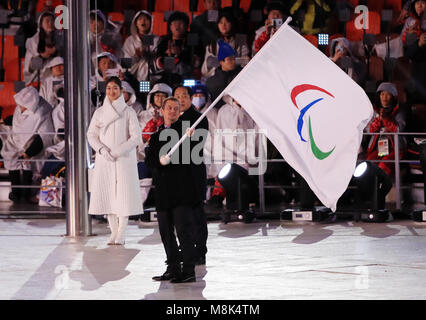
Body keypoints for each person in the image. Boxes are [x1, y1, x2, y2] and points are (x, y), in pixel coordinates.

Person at [145, 97, 201, 283]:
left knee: (184, 230)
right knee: (165, 232)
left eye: (176, 109)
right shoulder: (155, 135)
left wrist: (190, 140)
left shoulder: (186, 133)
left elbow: (193, 155)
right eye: (169, 108)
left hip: (181, 191)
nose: (172, 111)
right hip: (163, 192)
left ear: (180, 112)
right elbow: (150, 161)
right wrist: (158, 161)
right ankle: (173, 267)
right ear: (162, 111)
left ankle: (189, 270)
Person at [87, 77, 143, 245]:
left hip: (123, 159)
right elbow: (91, 135)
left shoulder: (129, 112)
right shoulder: (99, 112)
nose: (112, 91)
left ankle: (122, 232)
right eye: (109, 88)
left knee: (124, 196)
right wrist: (103, 150)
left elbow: (135, 138)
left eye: (115, 88)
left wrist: (117, 151)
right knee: (107, 194)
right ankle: (113, 232)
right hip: (105, 159)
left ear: (121, 91)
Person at [174, 85, 209, 266]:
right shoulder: (172, 119)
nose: (181, 99)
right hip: (176, 174)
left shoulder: (199, 119)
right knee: (180, 216)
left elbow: (198, 145)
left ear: (190, 98)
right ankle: (184, 250)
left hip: (193, 172)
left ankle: (200, 250)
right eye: (177, 96)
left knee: (196, 213)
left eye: (184, 96)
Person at [0, 86, 54, 204]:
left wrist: (28, 153)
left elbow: (44, 136)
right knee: (10, 159)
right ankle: (16, 192)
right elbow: (16, 121)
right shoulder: (20, 107)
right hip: (16, 141)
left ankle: (26, 193)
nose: (20, 107)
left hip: (33, 145)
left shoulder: (42, 112)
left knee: (27, 165)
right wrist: (3, 121)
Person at [366, 82, 407, 178]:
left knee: (384, 166)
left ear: (393, 96)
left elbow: (398, 129)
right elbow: (369, 130)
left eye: (388, 94)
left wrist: (386, 119)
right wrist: (378, 119)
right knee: (368, 165)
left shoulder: (399, 111)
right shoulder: (374, 111)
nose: (384, 97)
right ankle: (372, 190)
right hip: (378, 148)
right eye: (382, 94)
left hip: (396, 149)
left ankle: (383, 189)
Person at [201, 10, 250, 79]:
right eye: (220, 22)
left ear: (232, 23)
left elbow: (246, 60)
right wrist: (224, 65)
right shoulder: (212, 43)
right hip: (217, 77)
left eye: (227, 22)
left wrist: (233, 62)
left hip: (236, 76)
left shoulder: (240, 40)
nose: (223, 25)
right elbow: (207, 65)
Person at [155, 11, 199, 78]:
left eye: (181, 23)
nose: (177, 26)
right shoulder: (164, 39)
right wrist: (170, 54)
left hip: (187, 75)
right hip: (167, 75)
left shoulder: (192, 38)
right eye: (174, 23)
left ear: (187, 26)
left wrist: (180, 53)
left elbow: (196, 62)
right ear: (170, 26)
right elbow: (158, 63)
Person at [122, 10, 160, 82]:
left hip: (151, 77)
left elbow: (159, 60)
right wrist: (136, 57)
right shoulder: (130, 40)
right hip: (133, 78)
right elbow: (124, 64)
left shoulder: (156, 39)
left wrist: (149, 55)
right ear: (135, 23)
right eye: (140, 19)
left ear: (151, 22)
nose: (143, 21)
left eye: (146, 19)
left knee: (147, 91)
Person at [23, 11, 59, 84]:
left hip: (56, 78)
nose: (50, 23)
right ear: (41, 24)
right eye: (47, 21)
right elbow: (29, 69)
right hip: (38, 79)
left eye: (52, 21)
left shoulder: (60, 40)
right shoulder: (32, 42)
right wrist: (42, 56)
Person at [206, 40, 242, 109]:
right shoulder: (212, 82)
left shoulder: (241, 75)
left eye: (234, 59)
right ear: (221, 62)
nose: (233, 62)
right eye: (229, 59)